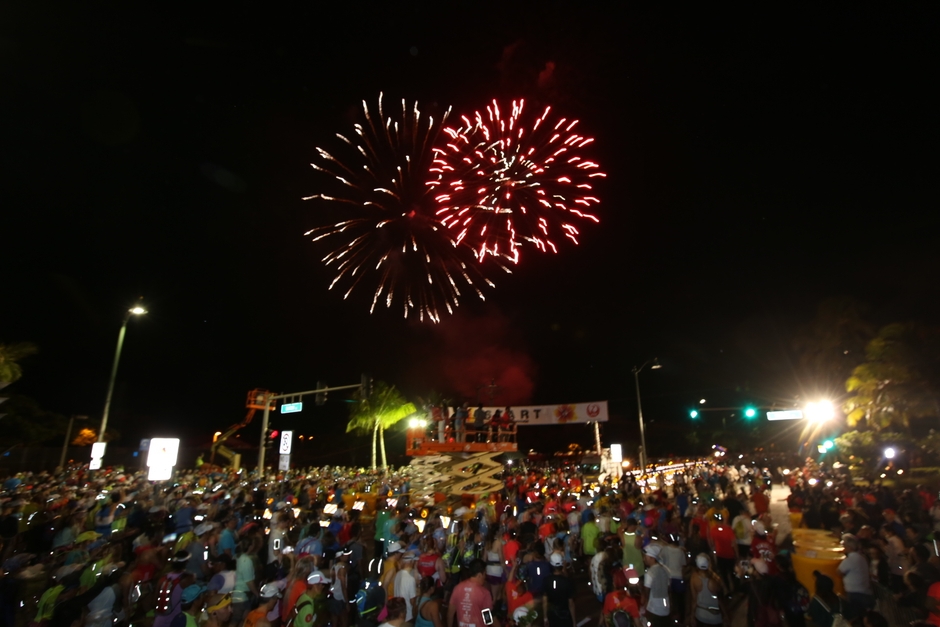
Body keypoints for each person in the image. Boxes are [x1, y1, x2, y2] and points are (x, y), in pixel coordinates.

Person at [447, 559, 496, 627]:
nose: (485, 577)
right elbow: (488, 619)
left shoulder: (457, 588)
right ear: (479, 575)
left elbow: (450, 613)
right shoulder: (484, 592)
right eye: (484, 574)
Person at [838, 534, 874, 620]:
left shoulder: (850, 560)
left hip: (855, 596)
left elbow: (839, 571)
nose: (843, 548)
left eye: (845, 546)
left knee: (854, 619)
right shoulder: (862, 558)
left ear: (850, 547)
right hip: (865, 593)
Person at [687, 553, 726, 626]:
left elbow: (694, 600)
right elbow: (721, 601)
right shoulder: (716, 579)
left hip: (700, 615)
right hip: (715, 618)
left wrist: (692, 616)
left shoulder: (693, 578)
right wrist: (726, 616)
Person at [542, 553, 576, 627]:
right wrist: (574, 622)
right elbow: (571, 604)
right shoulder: (567, 581)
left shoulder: (546, 580)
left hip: (552, 615)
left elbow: (545, 601)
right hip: (565, 615)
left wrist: (545, 618)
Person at [641, 544, 671, 627]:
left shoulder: (650, 573)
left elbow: (646, 592)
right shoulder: (666, 569)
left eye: (646, 557)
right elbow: (668, 587)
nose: (644, 559)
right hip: (666, 607)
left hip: (653, 609)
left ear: (652, 558)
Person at [395, 552, 419, 622]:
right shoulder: (410, 579)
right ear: (411, 562)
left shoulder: (398, 574)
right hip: (408, 616)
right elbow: (412, 601)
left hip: (399, 614)